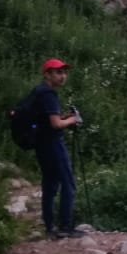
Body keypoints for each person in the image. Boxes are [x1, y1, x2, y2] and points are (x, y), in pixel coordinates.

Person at [33, 59, 83, 239]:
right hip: (53, 144)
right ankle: (66, 226)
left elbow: (47, 120)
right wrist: (72, 120)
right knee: (68, 183)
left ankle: (49, 226)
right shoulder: (49, 95)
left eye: (64, 72)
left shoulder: (38, 92)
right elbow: (55, 124)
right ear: (47, 74)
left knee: (50, 184)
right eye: (58, 73)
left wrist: (63, 117)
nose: (63, 76)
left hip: (41, 144)